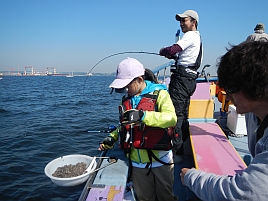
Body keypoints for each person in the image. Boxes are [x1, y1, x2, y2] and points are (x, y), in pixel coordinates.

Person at [180, 41, 268, 200]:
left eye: (232, 89)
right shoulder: (255, 113)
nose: (227, 97)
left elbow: (246, 193)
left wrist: (191, 177)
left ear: (255, 87)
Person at [99, 57, 178, 201]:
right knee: (144, 197)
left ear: (140, 80)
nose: (126, 89)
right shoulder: (127, 99)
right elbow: (124, 126)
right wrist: (113, 136)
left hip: (161, 160)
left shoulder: (160, 94)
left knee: (166, 197)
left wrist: (143, 115)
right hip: (137, 162)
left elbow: (171, 118)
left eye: (128, 85)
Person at [159, 10, 202, 159]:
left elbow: (173, 49)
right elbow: (182, 55)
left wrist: (163, 50)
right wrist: (172, 55)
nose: (182, 23)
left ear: (194, 22)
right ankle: (183, 147)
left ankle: (176, 153)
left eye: (185, 20)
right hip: (189, 80)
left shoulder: (190, 35)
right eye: (180, 21)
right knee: (183, 114)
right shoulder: (196, 37)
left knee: (176, 115)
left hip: (181, 80)